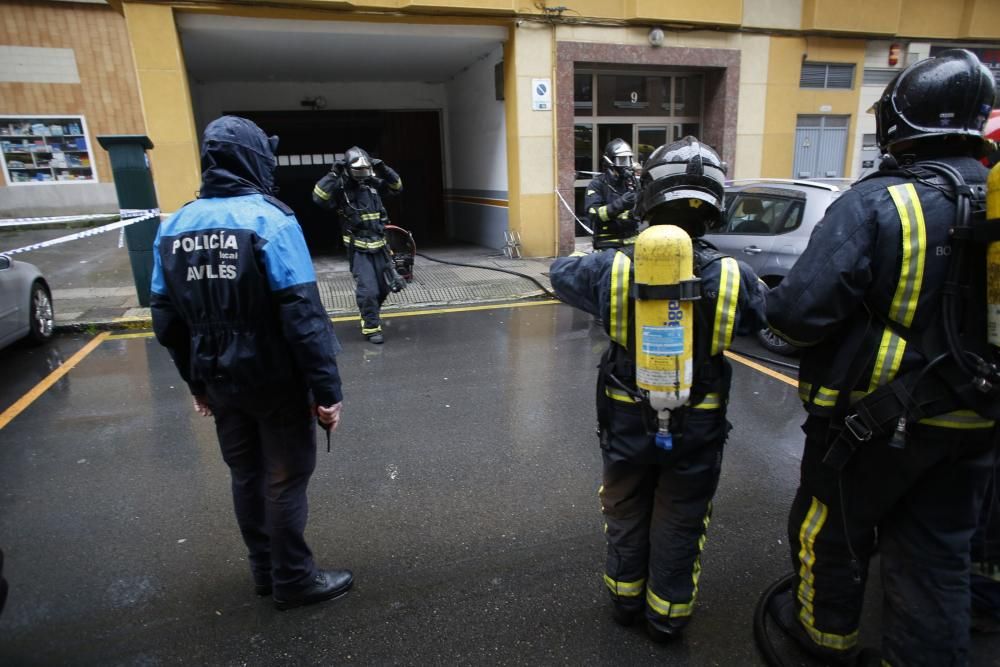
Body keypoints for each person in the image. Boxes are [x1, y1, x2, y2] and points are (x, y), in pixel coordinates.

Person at [765, 49, 999, 665]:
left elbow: (798, 314)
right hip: (976, 417)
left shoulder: (878, 203)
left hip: (875, 421)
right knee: (938, 554)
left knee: (831, 530)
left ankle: (822, 641)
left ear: (898, 122)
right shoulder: (993, 199)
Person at [551, 136, 767, 642]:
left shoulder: (612, 268)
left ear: (650, 196)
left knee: (625, 506)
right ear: (714, 204)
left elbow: (561, 275)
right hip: (698, 425)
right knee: (683, 514)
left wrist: (621, 255)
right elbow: (774, 316)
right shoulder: (734, 276)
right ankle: (667, 614)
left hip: (627, 420)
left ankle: (625, 602)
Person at [151, 115, 352, 611]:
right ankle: (294, 580)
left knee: (246, 474)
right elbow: (303, 316)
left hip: (218, 378)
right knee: (284, 477)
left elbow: (166, 320)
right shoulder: (271, 220)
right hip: (274, 377)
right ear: (253, 160)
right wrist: (327, 393)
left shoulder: (172, 226)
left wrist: (197, 384)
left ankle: (264, 572)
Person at [312, 146, 404, 344]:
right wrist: (332, 174)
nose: (362, 174)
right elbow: (318, 197)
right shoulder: (340, 188)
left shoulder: (373, 184)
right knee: (368, 291)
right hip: (359, 250)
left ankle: (370, 313)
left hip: (380, 247)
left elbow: (397, 187)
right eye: (358, 170)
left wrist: (384, 169)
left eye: (365, 170)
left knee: (385, 288)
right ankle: (371, 328)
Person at [585, 138, 641, 250]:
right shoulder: (597, 185)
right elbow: (593, 215)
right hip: (607, 244)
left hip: (632, 243)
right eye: (622, 160)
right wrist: (620, 204)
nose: (626, 165)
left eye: (628, 160)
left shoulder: (633, 183)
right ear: (610, 161)